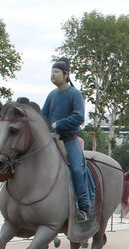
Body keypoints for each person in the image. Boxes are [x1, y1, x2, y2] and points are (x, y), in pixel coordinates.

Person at [41, 57, 95, 223]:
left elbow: (79, 117)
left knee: (78, 170)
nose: (53, 75)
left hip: (69, 140)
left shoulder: (75, 94)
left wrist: (59, 124)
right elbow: (43, 116)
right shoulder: (51, 95)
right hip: (51, 141)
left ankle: (84, 207)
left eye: (56, 72)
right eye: (52, 72)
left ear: (66, 75)